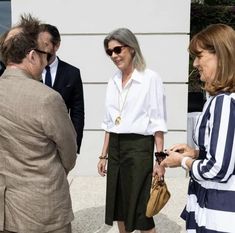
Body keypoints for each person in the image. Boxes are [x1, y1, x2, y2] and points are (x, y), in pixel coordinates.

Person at [0, 14, 77, 233]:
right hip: (43, 209)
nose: (45, 63)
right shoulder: (47, 98)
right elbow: (69, 152)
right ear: (32, 56)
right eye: (44, 56)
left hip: (6, 210)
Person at [161, 24, 235, 233]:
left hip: (220, 212)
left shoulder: (224, 102)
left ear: (220, 55)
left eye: (199, 56)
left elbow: (218, 169)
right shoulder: (224, 100)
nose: (195, 63)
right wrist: (196, 153)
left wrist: (183, 161)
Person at [97, 28, 167, 233]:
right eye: (110, 52)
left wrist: (160, 161)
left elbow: (158, 123)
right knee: (119, 207)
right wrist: (103, 155)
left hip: (139, 148)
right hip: (116, 148)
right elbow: (109, 123)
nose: (114, 56)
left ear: (132, 48)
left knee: (141, 210)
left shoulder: (150, 78)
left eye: (118, 49)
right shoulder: (112, 81)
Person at [39, 24, 84, 154]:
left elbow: (77, 113)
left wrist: (75, 145)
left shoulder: (72, 73)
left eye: (45, 44)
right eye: (37, 44)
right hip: (35, 143)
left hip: (61, 144)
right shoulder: (29, 73)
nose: (40, 49)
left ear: (56, 45)